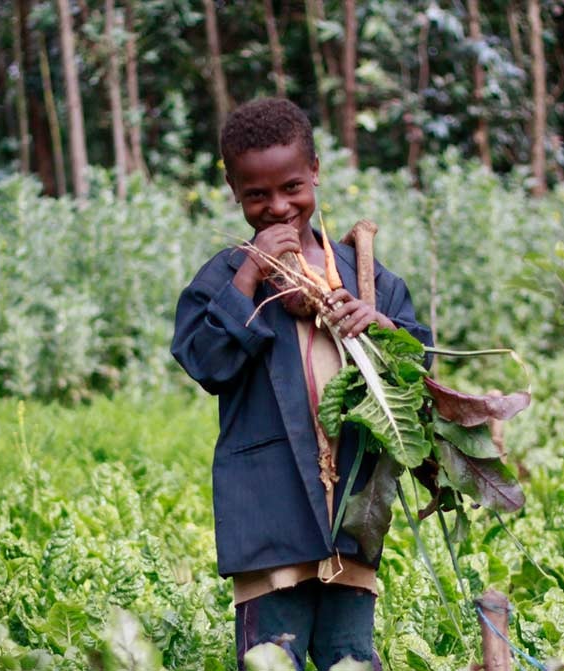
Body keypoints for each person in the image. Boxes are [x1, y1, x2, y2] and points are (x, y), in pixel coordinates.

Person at [171, 97, 432, 671]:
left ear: (314, 171)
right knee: (272, 659)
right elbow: (206, 362)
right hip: (269, 507)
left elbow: (421, 365)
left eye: (291, 187)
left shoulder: (365, 276)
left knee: (351, 657)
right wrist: (249, 275)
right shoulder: (225, 275)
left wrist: (382, 326)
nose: (277, 207)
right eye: (256, 195)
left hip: (353, 509)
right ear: (235, 193)